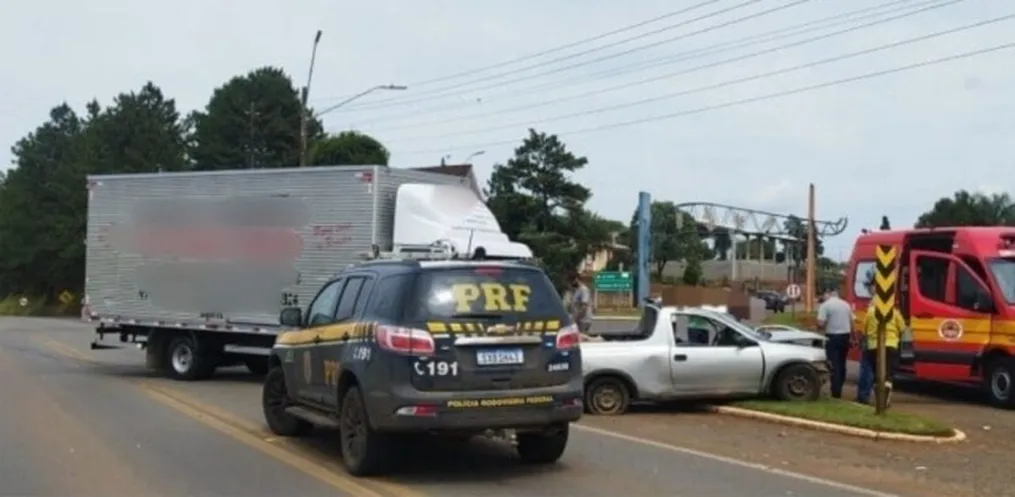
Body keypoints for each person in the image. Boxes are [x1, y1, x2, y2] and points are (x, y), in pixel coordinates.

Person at [855, 276, 905, 406]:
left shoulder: (870, 312)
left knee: (877, 375)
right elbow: (903, 328)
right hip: (891, 345)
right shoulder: (894, 312)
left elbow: (864, 330)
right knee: (888, 375)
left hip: (873, 347)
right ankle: (885, 399)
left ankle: (879, 400)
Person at [816, 288, 854, 399]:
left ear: (828, 294)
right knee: (842, 363)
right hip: (845, 336)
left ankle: (835, 391)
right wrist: (854, 337)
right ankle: (840, 386)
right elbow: (852, 322)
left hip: (832, 337)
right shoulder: (846, 305)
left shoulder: (825, 305)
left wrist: (819, 328)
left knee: (833, 364)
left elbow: (820, 323)